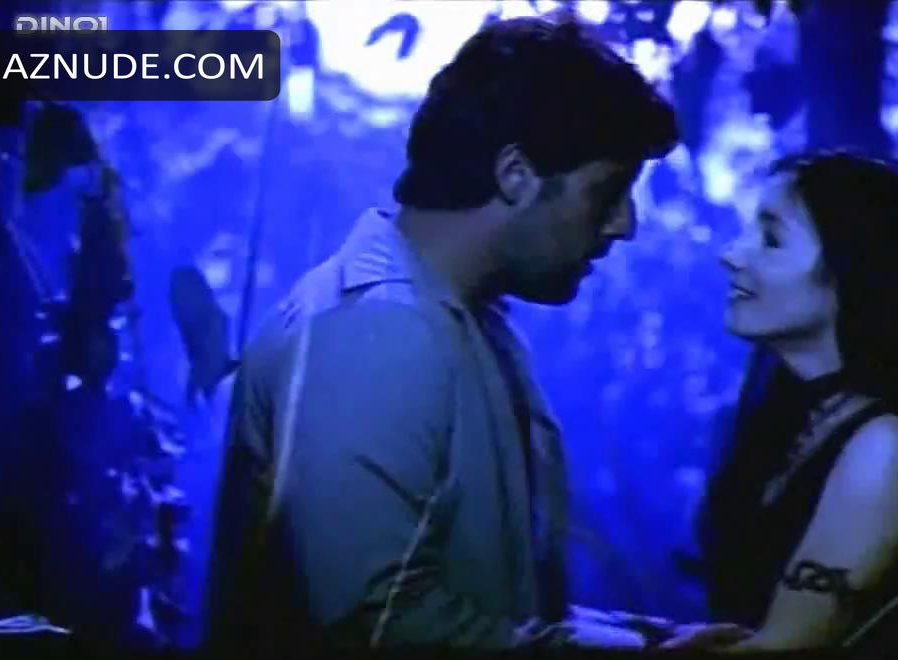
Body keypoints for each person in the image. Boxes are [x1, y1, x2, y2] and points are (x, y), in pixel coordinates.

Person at [203, 16, 694, 652]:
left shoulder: (464, 321)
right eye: (606, 193)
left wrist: (652, 641)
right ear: (515, 175)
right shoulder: (378, 332)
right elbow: (375, 624)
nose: (624, 225)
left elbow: (485, 600)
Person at [671, 152, 898, 652]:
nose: (732, 254)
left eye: (771, 239)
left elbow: (786, 649)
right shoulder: (788, 423)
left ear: (856, 267)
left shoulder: (891, 447)